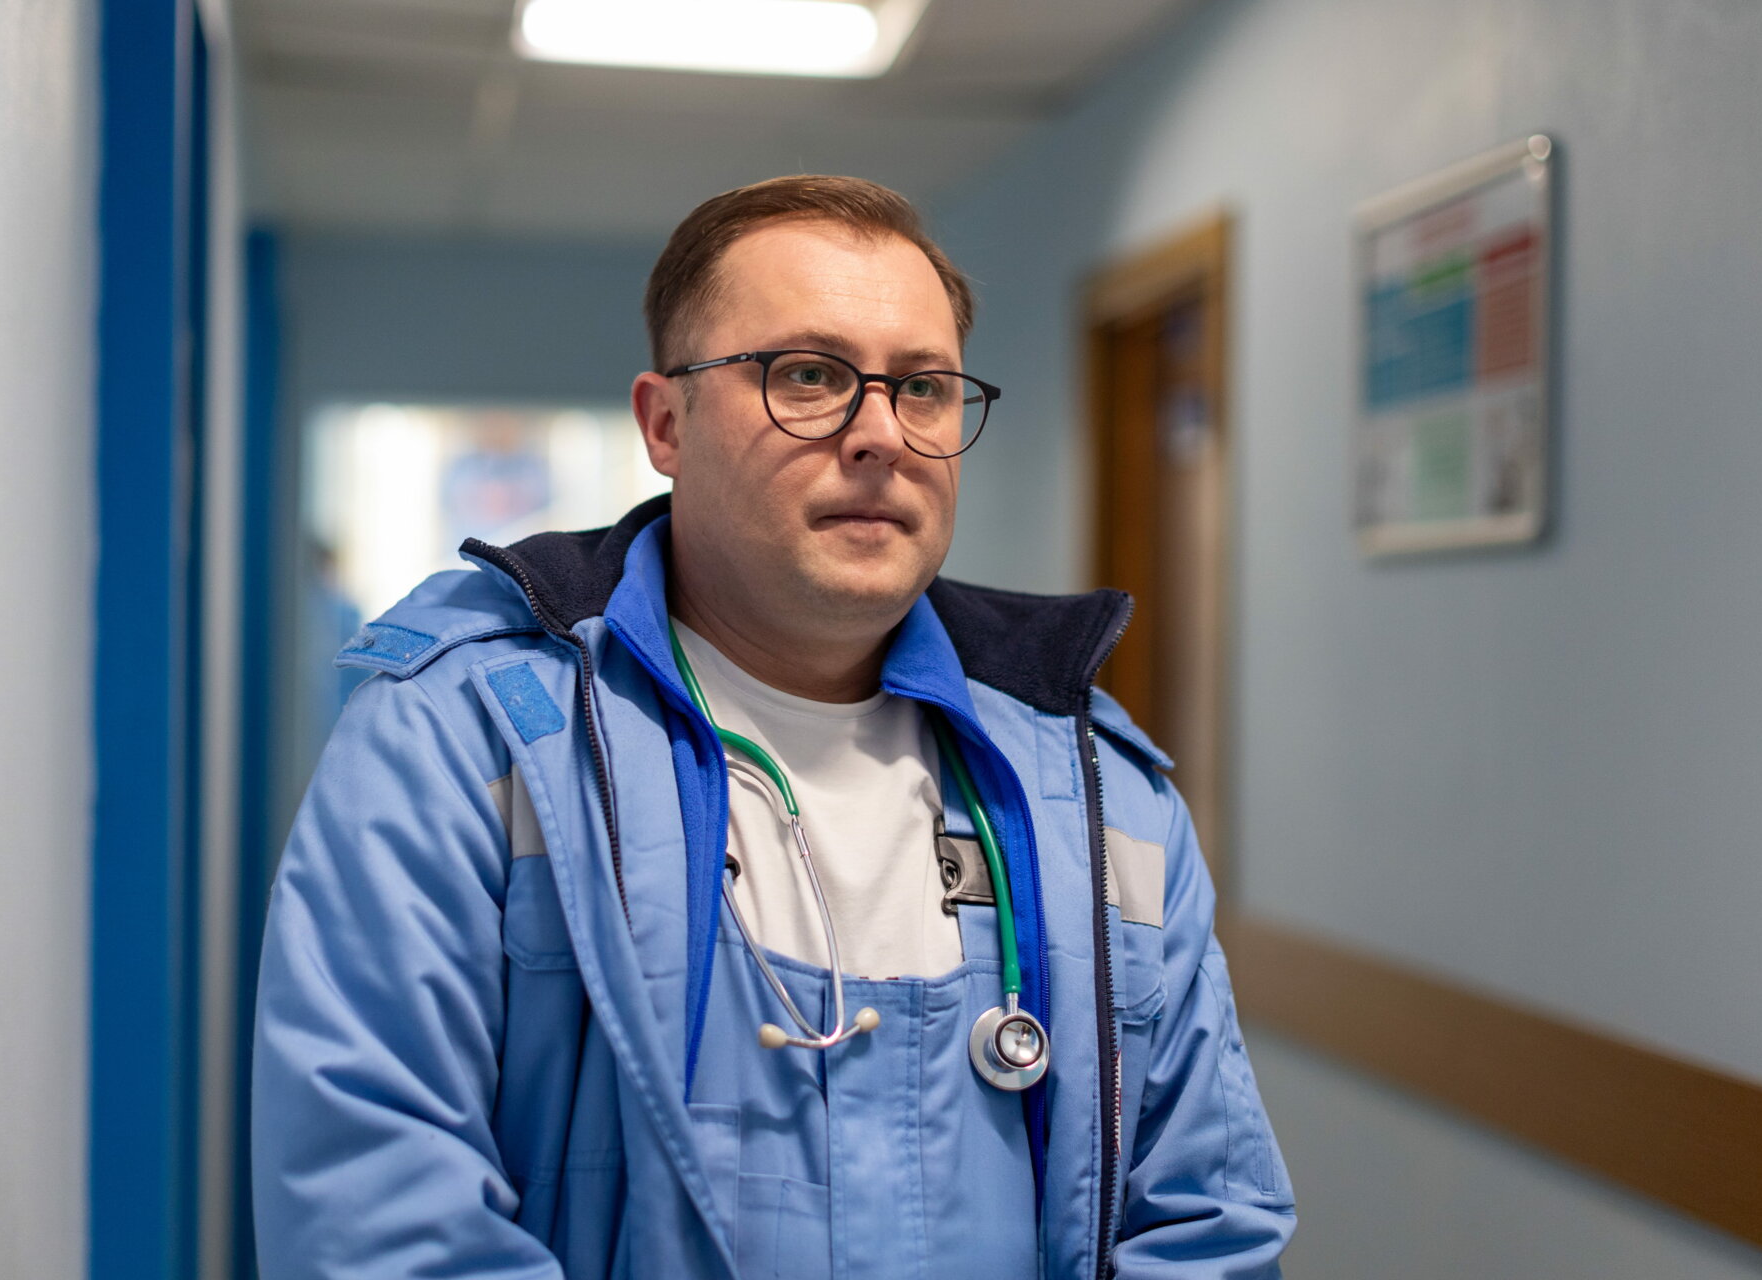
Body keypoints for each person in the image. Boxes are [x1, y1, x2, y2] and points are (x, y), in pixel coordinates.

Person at [253, 175, 1295, 1278]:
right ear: (666, 422)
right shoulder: (467, 736)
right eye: (809, 374)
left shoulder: (1095, 786)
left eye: (924, 388)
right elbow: (376, 1218)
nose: (880, 434)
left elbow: (1209, 1226)